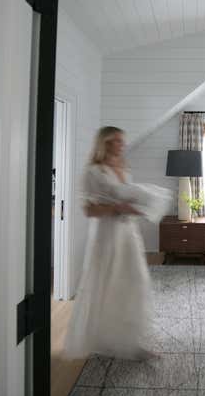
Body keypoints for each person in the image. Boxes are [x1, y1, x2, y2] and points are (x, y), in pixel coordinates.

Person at [64, 126, 169, 360]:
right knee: (108, 283)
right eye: (117, 141)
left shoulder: (123, 167)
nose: (122, 145)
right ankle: (103, 338)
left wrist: (138, 206)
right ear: (105, 143)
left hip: (128, 232)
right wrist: (117, 208)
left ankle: (131, 341)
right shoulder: (93, 172)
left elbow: (127, 196)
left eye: (123, 141)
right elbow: (89, 210)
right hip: (107, 234)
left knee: (133, 281)